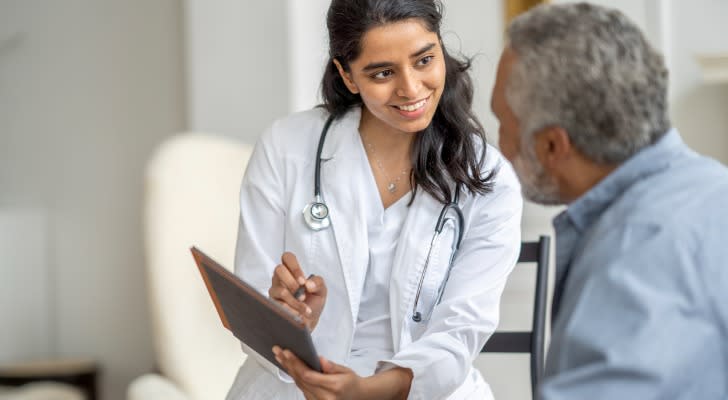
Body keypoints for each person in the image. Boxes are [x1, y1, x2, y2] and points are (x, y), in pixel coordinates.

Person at [228, 0, 523, 399]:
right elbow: (251, 308)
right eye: (383, 72)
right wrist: (289, 320)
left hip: (417, 390)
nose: (411, 88)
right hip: (296, 383)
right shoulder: (286, 148)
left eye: (424, 60)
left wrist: (370, 391)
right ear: (347, 76)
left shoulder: (488, 178)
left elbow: (460, 331)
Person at [491, 2, 728, 399]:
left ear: (552, 145)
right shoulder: (713, 187)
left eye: (503, 124)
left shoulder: (632, 256)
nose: (498, 147)